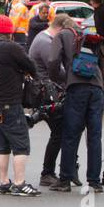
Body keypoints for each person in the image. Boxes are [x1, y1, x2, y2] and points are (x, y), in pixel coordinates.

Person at [0, 15, 40, 196]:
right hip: (10, 103)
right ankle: (19, 183)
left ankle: (4, 182)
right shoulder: (11, 47)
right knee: (21, 144)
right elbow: (31, 65)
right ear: (9, 33)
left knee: (2, 145)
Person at [52, 25, 104, 194]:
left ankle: (65, 180)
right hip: (97, 88)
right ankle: (94, 182)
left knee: (71, 134)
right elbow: (103, 64)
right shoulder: (91, 38)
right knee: (95, 136)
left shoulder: (61, 35)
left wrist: (64, 79)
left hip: (76, 88)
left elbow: (53, 61)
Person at [29, 12, 72, 187]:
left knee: (58, 132)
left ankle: (50, 171)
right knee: (59, 132)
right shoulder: (46, 43)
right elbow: (57, 70)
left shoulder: (42, 38)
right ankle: (47, 173)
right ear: (61, 28)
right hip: (46, 93)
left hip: (44, 92)